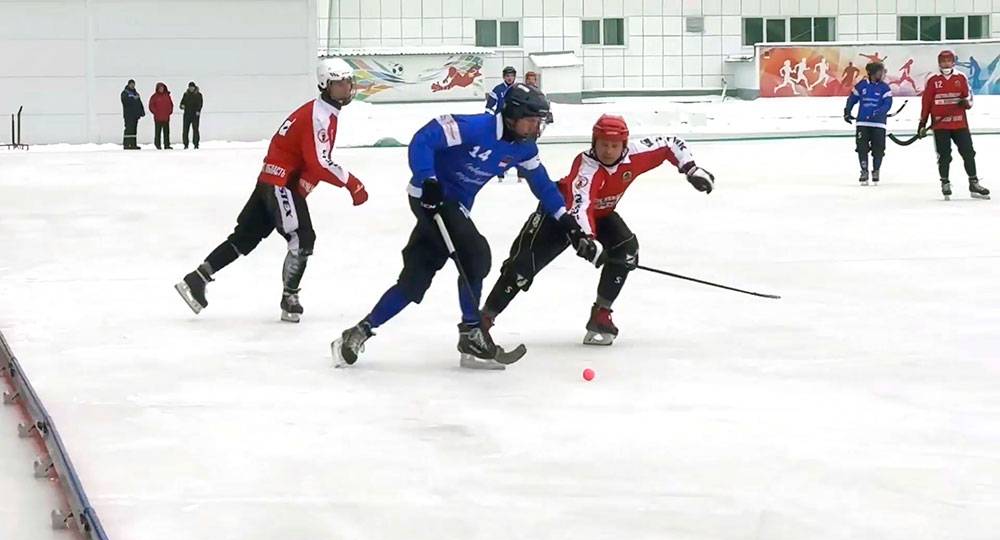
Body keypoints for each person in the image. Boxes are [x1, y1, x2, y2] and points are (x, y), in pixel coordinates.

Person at [332, 83, 595, 369]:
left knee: (414, 281)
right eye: (532, 121)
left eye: (539, 122)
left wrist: (568, 222)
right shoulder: (475, 127)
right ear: (511, 116)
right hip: (429, 199)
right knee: (476, 254)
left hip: (457, 207)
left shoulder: (524, 148)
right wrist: (427, 177)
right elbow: (424, 139)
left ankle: (358, 331)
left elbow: (542, 184)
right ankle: (471, 332)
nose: (536, 128)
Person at [481, 114, 715, 346]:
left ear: (624, 145)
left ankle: (601, 315)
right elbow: (580, 206)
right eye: (603, 144)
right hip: (560, 216)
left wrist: (691, 169)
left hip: (600, 214)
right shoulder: (586, 167)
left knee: (626, 250)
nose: (608, 151)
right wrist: (586, 238)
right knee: (521, 269)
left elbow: (671, 143)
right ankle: (482, 324)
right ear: (594, 142)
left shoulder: (635, 153)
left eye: (614, 145)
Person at [174, 59, 369, 322]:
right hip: (280, 183)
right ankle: (290, 297)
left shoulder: (319, 112)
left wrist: (303, 184)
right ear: (326, 85)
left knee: (245, 237)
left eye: (348, 81)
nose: (347, 87)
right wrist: (352, 183)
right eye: (340, 83)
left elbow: (305, 156)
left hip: (272, 180)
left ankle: (197, 278)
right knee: (303, 238)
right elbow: (320, 162)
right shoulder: (320, 116)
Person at [918, 50, 990, 200]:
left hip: (960, 124)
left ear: (953, 62)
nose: (946, 64)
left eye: (948, 61)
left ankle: (974, 183)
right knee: (944, 156)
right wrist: (922, 122)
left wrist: (966, 103)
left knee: (968, 153)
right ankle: (945, 182)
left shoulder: (960, 77)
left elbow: (969, 97)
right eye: (943, 61)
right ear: (939, 63)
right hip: (940, 126)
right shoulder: (932, 79)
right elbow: (926, 102)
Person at [844, 61, 892, 186]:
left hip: (878, 125)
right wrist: (847, 111)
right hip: (862, 123)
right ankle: (864, 171)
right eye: (880, 72)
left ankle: (876, 170)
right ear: (872, 73)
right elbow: (852, 99)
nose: (882, 74)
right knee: (862, 148)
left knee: (879, 150)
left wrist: (879, 112)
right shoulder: (861, 86)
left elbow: (887, 104)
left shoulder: (885, 88)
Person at [120, 80, 145, 150]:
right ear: (128, 85)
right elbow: (125, 101)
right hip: (128, 115)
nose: (132, 86)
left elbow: (139, 103)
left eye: (133, 84)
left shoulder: (136, 93)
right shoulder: (125, 93)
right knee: (128, 129)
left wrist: (142, 111)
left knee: (134, 130)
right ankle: (127, 144)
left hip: (135, 115)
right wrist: (132, 99)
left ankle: (133, 144)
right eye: (131, 84)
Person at [148, 82, 174, 149]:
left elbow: (171, 104)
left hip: (166, 117)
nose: (161, 89)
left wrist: (170, 111)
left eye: (162, 88)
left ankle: (167, 145)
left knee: (166, 133)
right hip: (158, 118)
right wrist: (155, 112)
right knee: (158, 132)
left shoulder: (167, 96)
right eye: (160, 88)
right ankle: (158, 145)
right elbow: (151, 105)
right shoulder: (154, 96)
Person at [180, 81, 203, 149]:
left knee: (195, 129)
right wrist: (182, 106)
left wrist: (198, 111)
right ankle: (185, 144)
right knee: (185, 130)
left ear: (194, 87)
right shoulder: (186, 94)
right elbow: (182, 103)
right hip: (187, 114)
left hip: (195, 115)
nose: (191, 88)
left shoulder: (198, 95)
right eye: (190, 87)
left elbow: (200, 104)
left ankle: (196, 144)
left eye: (192, 87)